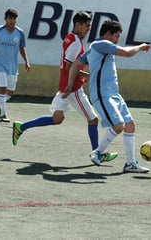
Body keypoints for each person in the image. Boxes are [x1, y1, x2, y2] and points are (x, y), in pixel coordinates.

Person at [11, 11, 118, 163]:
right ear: (78, 24)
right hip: (72, 89)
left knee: (57, 118)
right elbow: (69, 67)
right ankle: (97, 153)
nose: (88, 29)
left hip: (65, 86)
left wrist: (79, 76)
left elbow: (68, 66)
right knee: (93, 120)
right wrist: (81, 77)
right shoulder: (75, 42)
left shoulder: (70, 37)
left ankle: (21, 127)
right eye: (87, 26)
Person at [63, 20, 151, 173]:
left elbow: (77, 64)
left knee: (130, 125)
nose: (117, 40)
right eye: (116, 36)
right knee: (118, 126)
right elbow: (127, 53)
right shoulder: (101, 44)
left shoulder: (94, 47)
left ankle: (130, 163)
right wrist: (141, 47)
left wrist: (71, 83)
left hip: (113, 94)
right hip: (103, 94)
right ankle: (97, 152)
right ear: (108, 34)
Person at [0, 8, 31, 122]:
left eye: (14, 18)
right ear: (6, 19)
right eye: (10, 18)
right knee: (3, 88)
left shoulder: (20, 33)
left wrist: (27, 62)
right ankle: (3, 114)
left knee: (10, 91)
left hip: (12, 67)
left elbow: (22, 48)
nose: (12, 21)